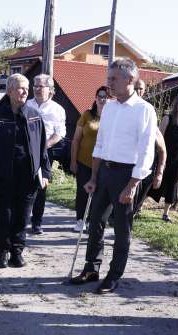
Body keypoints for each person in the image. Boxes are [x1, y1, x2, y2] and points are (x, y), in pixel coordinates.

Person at [68, 58, 157, 294]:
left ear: (130, 79)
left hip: (127, 175)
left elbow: (147, 151)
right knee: (95, 221)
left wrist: (132, 184)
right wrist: (94, 177)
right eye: (108, 78)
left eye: (113, 79)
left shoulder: (144, 110)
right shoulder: (109, 107)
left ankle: (114, 274)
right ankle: (91, 267)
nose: (109, 83)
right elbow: (101, 144)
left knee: (121, 228)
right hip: (104, 171)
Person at [0, 74, 51, 268]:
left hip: (28, 176)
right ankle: (3, 252)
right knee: (4, 216)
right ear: (9, 91)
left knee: (23, 216)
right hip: (4, 176)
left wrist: (46, 173)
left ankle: (17, 251)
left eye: (26, 88)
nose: (24, 92)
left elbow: (42, 148)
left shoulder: (34, 115)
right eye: (20, 88)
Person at [26, 74, 66, 235]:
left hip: (45, 153)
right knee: (24, 187)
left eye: (40, 86)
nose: (36, 89)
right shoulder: (26, 105)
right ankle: (22, 220)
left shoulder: (57, 109)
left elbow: (60, 133)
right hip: (26, 152)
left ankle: (37, 222)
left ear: (50, 89)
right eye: (35, 85)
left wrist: (44, 146)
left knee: (41, 187)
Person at [147, 93, 178, 222]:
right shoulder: (167, 118)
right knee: (155, 181)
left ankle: (165, 214)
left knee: (173, 183)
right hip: (164, 155)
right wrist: (156, 156)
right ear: (176, 105)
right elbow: (159, 137)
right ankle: (139, 206)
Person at [70, 86, 110, 232]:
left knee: (99, 193)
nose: (102, 99)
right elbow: (75, 140)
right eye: (99, 96)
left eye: (105, 96)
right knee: (82, 192)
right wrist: (73, 161)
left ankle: (94, 220)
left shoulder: (112, 117)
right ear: (95, 97)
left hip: (103, 163)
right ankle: (80, 220)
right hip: (84, 161)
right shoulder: (87, 114)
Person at [132, 79, 167, 217]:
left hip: (144, 171)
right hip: (125, 169)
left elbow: (162, 149)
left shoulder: (148, 111)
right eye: (135, 88)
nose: (138, 91)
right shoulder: (122, 110)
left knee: (132, 209)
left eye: (140, 88)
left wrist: (159, 173)